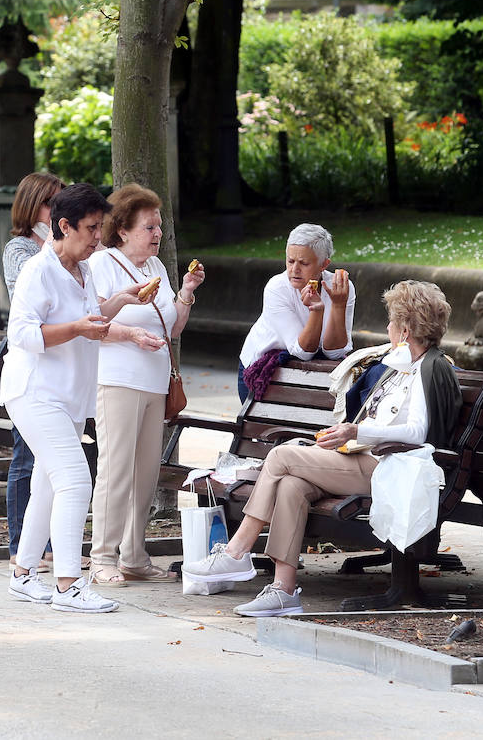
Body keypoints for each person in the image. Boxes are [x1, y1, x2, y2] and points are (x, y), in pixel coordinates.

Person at [184, 280, 461, 616]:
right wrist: (348, 435)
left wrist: (355, 430)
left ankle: (237, 550)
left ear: (404, 329)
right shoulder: (402, 364)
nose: (386, 328)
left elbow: (419, 432)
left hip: (388, 468)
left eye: (390, 321)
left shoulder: (428, 368)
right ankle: (284, 591)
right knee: (292, 484)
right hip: (365, 459)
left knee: (281, 455)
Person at [3, 183, 153, 614]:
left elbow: (89, 320)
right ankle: (68, 584)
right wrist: (78, 329)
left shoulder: (83, 270)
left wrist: (118, 303)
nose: (97, 237)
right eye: (90, 228)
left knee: (48, 484)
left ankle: (23, 574)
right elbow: (24, 335)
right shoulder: (38, 270)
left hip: (67, 395)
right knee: (74, 479)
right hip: (36, 392)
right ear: (63, 226)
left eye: (99, 227)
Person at [87, 184, 205, 585]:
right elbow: (94, 320)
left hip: (154, 380)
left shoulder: (155, 268)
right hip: (117, 378)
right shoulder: (103, 264)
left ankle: (133, 555)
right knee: (116, 469)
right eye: (148, 227)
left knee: (145, 473)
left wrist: (186, 293)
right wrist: (131, 335)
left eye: (159, 226)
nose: (157, 234)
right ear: (122, 230)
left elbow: (170, 326)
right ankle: (101, 556)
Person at [1, 171, 65, 566]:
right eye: (51, 203)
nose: (57, 211)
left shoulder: (63, 249)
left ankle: (47, 543)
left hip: (60, 365)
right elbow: (34, 289)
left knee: (52, 463)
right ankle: (21, 545)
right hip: (30, 367)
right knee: (27, 457)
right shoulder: (21, 248)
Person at [237, 223, 354, 403]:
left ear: (324, 264)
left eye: (304, 263)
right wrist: (317, 310)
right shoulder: (277, 288)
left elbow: (335, 353)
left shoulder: (341, 288)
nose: (294, 270)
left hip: (311, 374)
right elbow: (302, 352)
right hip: (261, 372)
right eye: (290, 261)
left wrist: (338, 306)